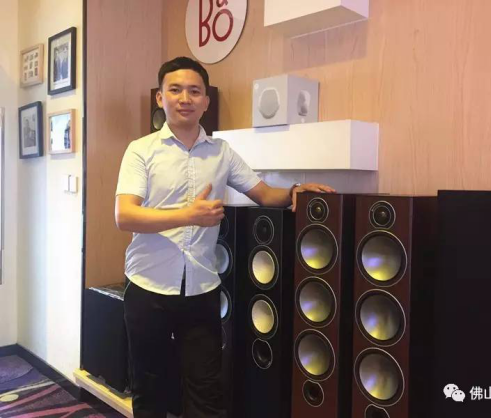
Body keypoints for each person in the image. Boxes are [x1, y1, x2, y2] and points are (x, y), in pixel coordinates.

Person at [114, 56, 334, 418]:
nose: (185, 98)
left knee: (207, 389)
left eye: (194, 91)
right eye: (175, 90)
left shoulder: (222, 153)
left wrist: (296, 190)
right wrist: (188, 215)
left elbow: (263, 193)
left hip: (201, 288)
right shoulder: (141, 150)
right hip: (148, 287)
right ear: (160, 98)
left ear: (206, 101)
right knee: (149, 388)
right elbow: (125, 215)